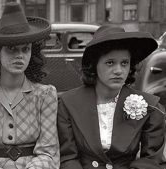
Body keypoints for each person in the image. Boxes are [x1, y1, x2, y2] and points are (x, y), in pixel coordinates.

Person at [58, 25, 165, 169]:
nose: (118, 71)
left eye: (124, 63)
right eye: (110, 63)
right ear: (94, 65)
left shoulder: (149, 106)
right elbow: (68, 157)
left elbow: (151, 161)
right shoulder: (69, 103)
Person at [0, 2, 59, 169]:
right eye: (11, 49)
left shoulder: (45, 95)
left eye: (25, 49)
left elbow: (48, 152)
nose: (20, 56)